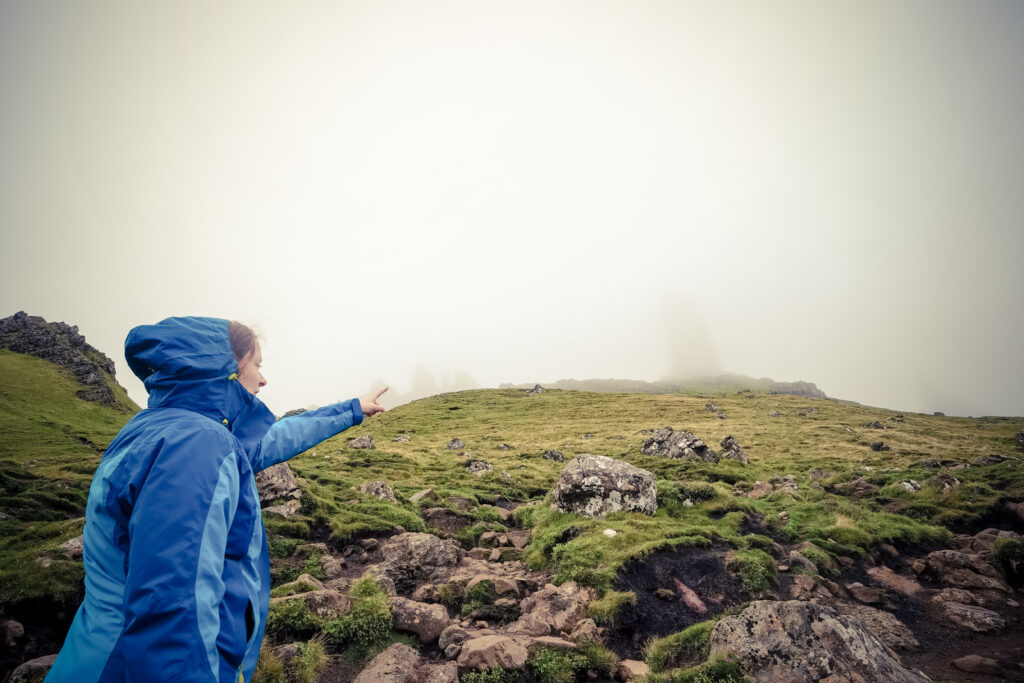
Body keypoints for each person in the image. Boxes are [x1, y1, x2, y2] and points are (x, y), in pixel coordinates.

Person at [45, 316, 386, 682]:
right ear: (227, 368)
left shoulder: (160, 427)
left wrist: (351, 408)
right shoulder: (196, 445)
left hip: (97, 655)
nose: (263, 378)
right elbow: (174, 606)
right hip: (131, 668)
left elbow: (276, 437)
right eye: (257, 364)